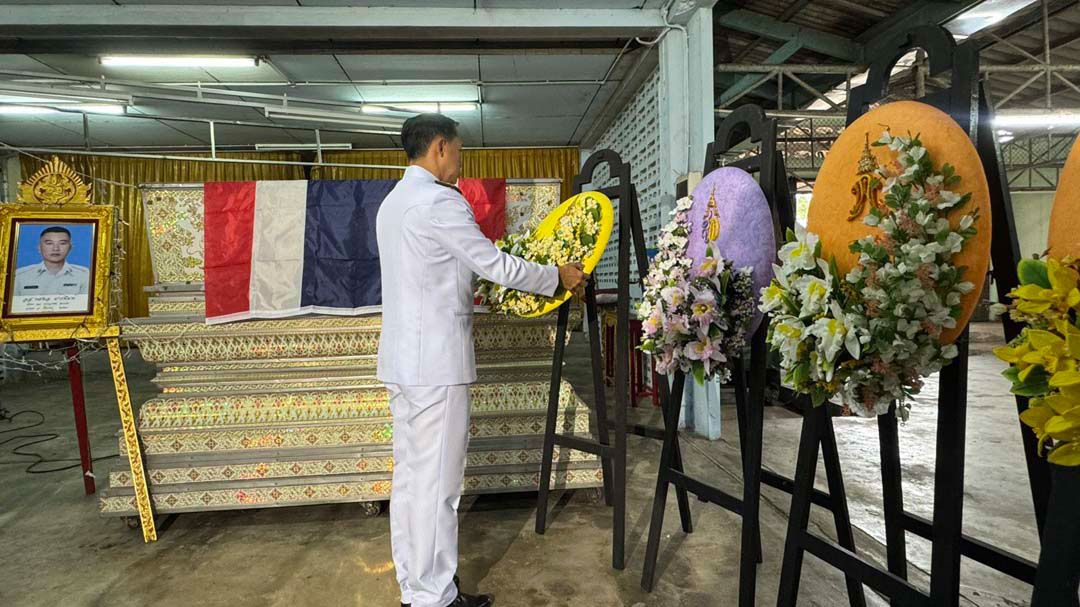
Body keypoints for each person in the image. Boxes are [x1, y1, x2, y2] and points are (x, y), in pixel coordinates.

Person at [376, 113, 587, 607]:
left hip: (404, 362)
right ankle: (434, 598)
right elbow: (490, 261)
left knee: (410, 479)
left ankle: (418, 586)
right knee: (439, 486)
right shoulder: (438, 202)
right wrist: (555, 275)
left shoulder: (393, 202)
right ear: (440, 149)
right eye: (460, 149)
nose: (462, 158)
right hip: (436, 366)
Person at [12, 226, 90, 299]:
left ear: (70, 248)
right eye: (49, 243)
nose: (55, 248)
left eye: (62, 243)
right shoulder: (19, 276)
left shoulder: (85, 275)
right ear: (39, 248)